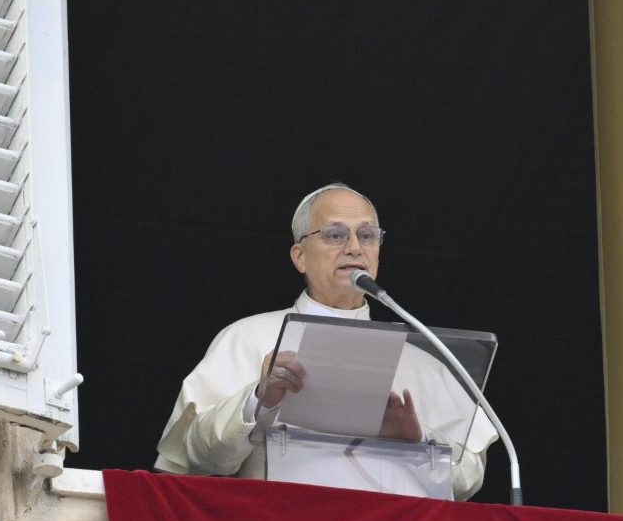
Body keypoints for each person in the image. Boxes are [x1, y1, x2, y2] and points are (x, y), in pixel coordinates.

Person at [154, 183, 496, 499]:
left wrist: (418, 442)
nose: (354, 248)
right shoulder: (246, 338)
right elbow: (199, 459)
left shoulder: (425, 363)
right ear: (300, 256)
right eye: (335, 235)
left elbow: (468, 481)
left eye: (367, 235)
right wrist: (259, 399)